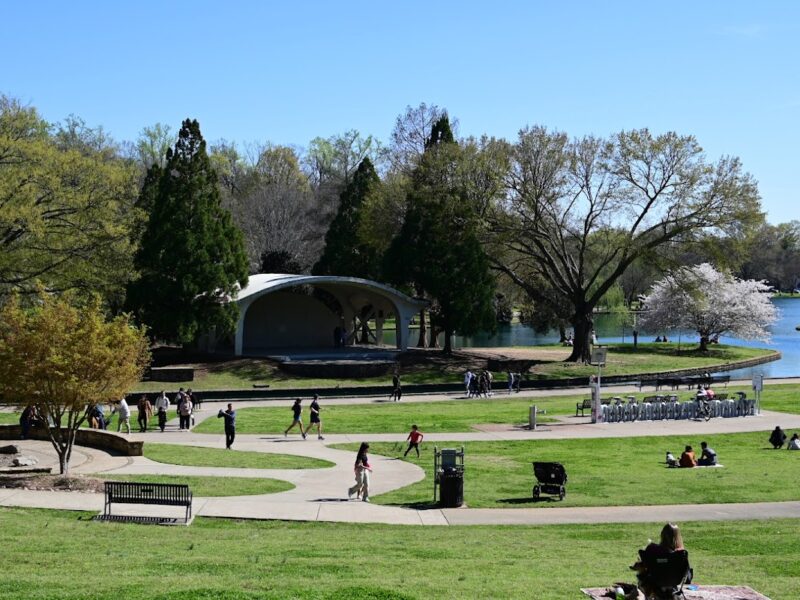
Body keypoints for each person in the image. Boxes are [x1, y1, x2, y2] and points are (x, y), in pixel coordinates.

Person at [630, 523, 691, 598]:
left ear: (662, 534)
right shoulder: (681, 554)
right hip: (673, 582)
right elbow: (688, 577)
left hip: (654, 582)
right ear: (678, 537)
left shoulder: (652, 549)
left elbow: (645, 565)